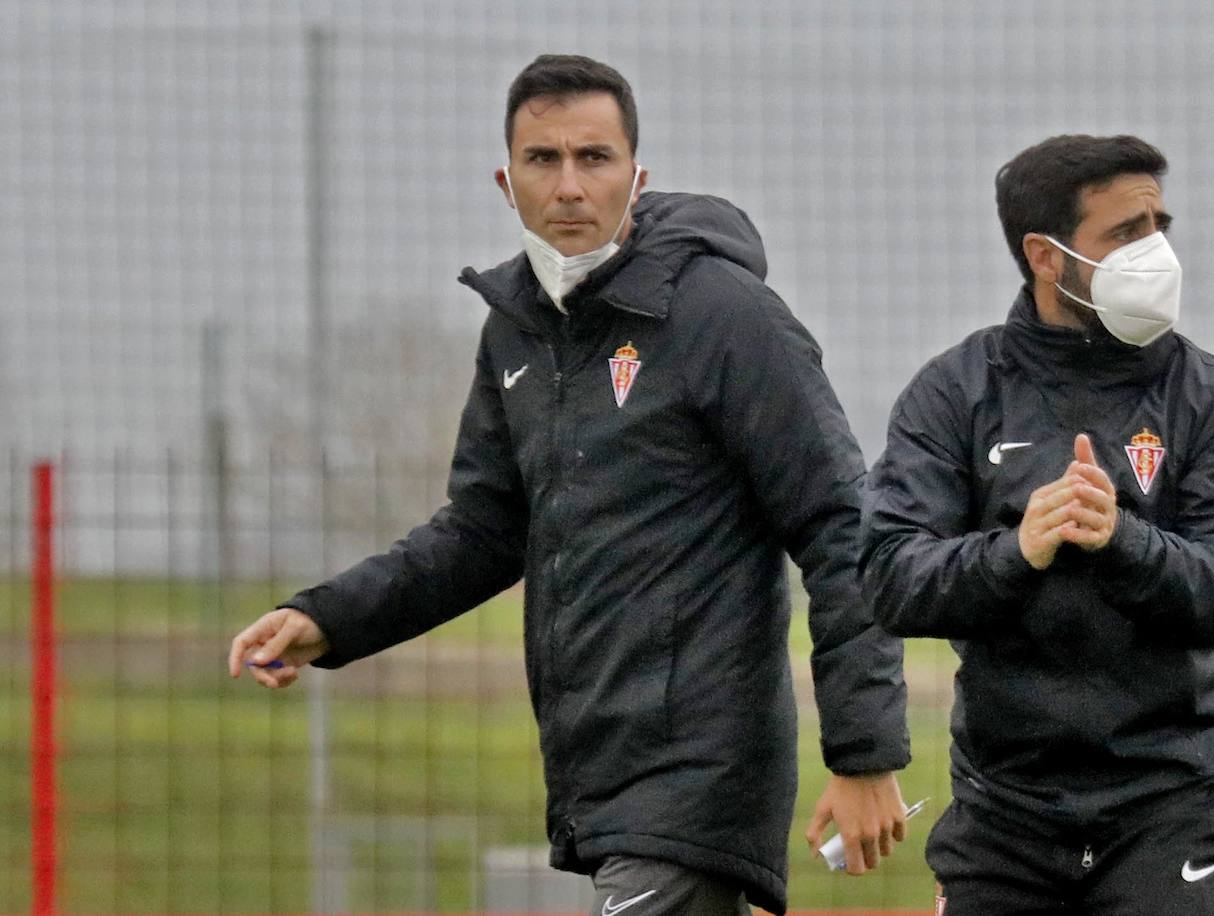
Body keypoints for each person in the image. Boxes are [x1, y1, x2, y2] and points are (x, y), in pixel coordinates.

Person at [228, 54, 911, 915]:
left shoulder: (721, 313)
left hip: (698, 776)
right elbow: (483, 530)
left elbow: (841, 522)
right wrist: (332, 616)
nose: (570, 185)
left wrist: (864, 753)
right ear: (506, 181)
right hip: (599, 774)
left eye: (595, 158)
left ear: (638, 175)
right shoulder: (516, 327)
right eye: (542, 160)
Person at [862, 134, 1214, 916]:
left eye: (1159, 224)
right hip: (1004, 811)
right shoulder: (956, 391)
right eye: (1126, 232)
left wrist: (1123, 540)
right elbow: (891, 573)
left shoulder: (1212, 396)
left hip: (1173, 802)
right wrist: (1016, 552)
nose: (1154, 249)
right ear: (1046, 256)